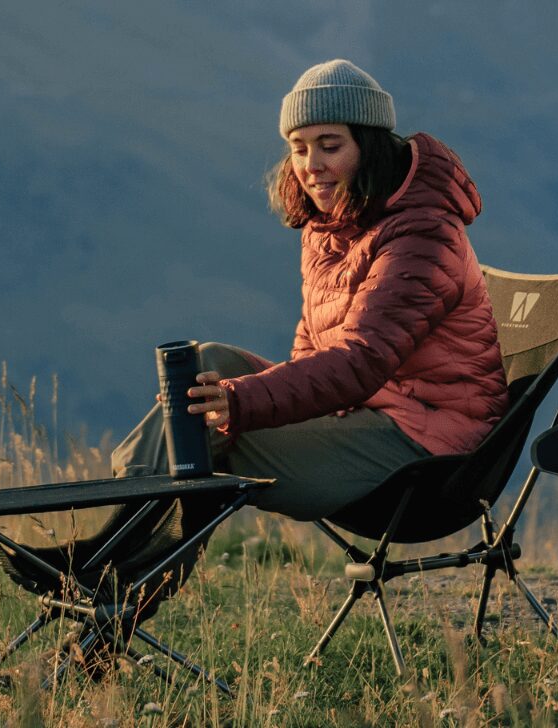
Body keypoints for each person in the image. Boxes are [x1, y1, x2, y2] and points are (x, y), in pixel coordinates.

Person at [84, 59, 508, 659]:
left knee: (211, 436)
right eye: (299, 147)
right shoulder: (331, 226)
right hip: (359, 417)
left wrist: (240, 405)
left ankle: (103, 601)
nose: (311, 166)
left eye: (329, 145)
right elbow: (314, 350)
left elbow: (358, 363)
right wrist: (240, 395)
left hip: (425, 446)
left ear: (370, 144)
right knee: (212, 360)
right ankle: (116, 550)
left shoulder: (421, 235)